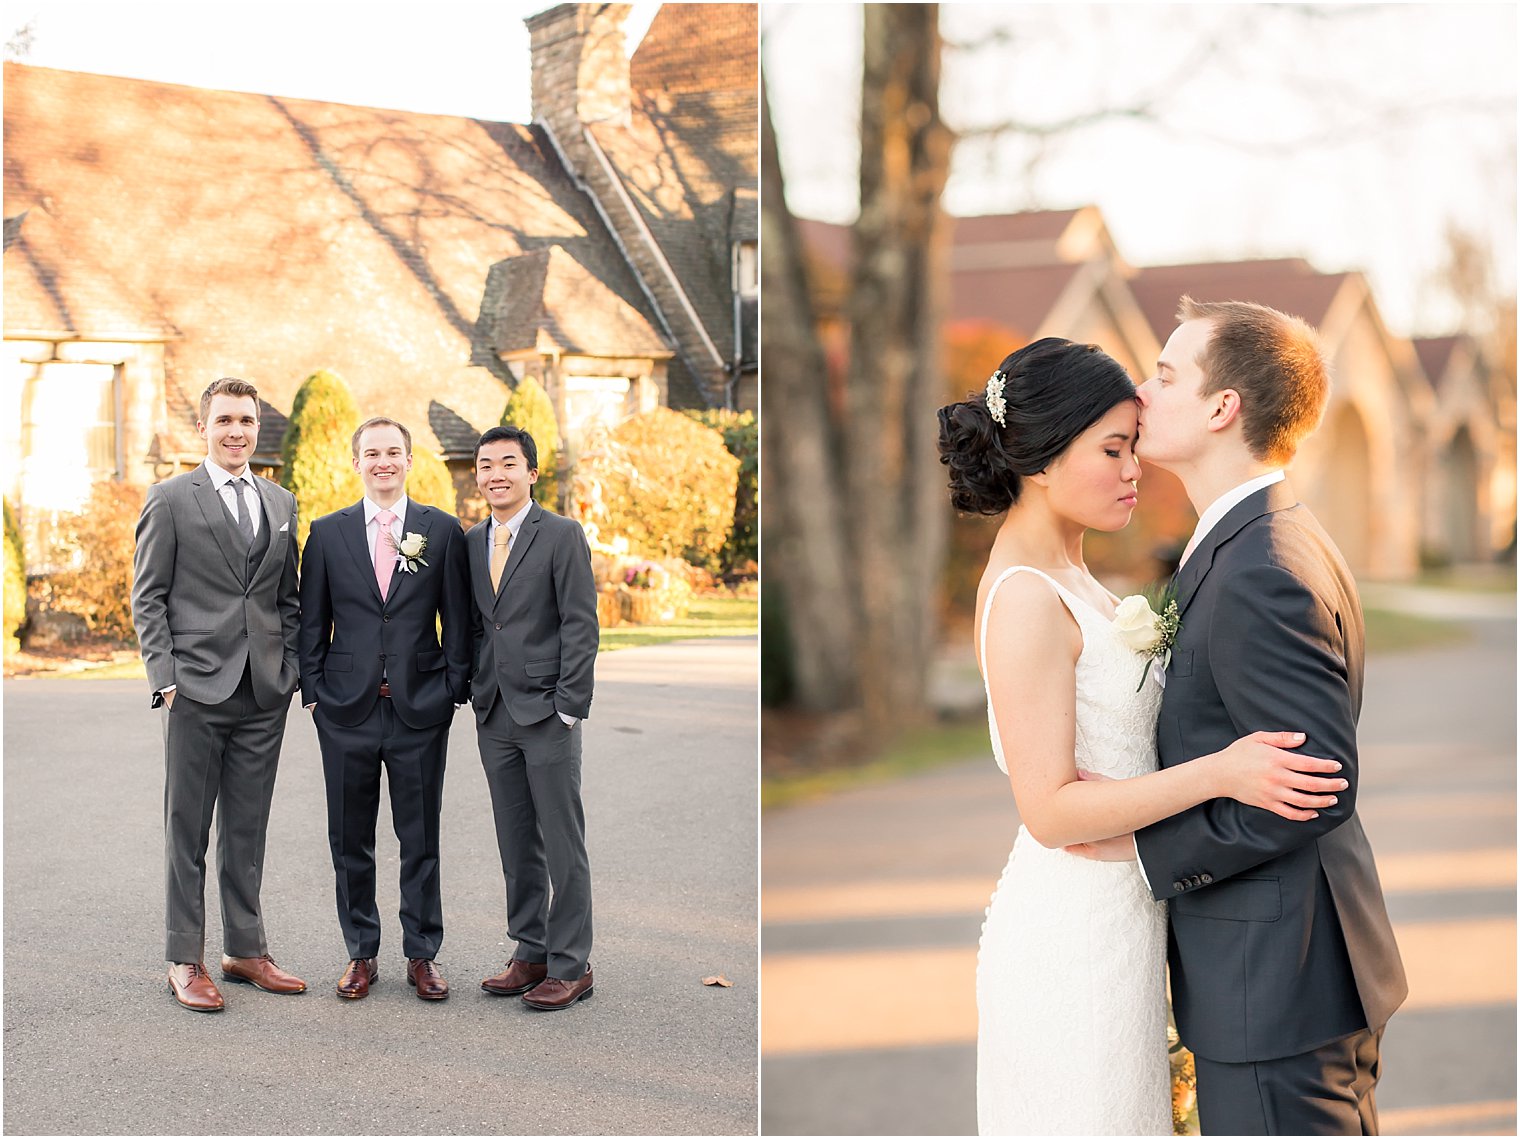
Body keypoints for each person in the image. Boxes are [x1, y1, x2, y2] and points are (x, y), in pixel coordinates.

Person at [937, 338, 1346, 1135]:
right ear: (1045, 458)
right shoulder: (1024, 597)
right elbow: (1051, 811)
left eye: (1134, 445)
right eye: (1113, 449)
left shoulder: (1080, 578)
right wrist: (1222, 772)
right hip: (1075, 936)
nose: (1135, 470)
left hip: (1133, 918)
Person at [1070, 298, 1407, 1134]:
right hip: (1278, 977)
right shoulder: (1246, 540)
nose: (1141, 394)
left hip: (1281, 986)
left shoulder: (1262, 564)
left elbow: (1316, 785)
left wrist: (1144, 848)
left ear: (1224, 409)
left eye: (1166, 374)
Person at [132, 376, 307, 1012]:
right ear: (203, 427)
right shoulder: (171, 498)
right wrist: (166, 679)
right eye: (226, 420)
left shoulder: (281, 502)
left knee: (247, 827)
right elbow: (148, 595)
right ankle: (185, 958)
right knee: (188, 829)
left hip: (264, 691)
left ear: (259, 429)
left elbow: (286, 598)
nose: (237, 432)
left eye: (247, 422)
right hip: (196, 690)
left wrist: (287, 671)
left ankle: (245, 950)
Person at [298, 416, 471, 1001]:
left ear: (409, 459)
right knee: (349, 839)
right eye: (371, 453)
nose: (383, 462)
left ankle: (422, 954)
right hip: (344, 710)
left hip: (420, 709)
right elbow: (311, 622)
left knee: (420, 836)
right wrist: (315, 691)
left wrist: (450, 687)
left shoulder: (442, 531)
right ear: (356, 463)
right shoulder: (326, 533)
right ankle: (360, 953)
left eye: (393, 452)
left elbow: (458, 619)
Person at [454, 425, 598, 1010]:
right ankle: (530, 950)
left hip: (547, 712)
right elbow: (472, 623)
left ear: (531, 473)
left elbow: (580, 626)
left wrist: (568, 706)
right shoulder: (469, 542)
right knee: (516, 841)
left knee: (562, 841)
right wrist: (468, 689)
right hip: (494, 711)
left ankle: (571, 964)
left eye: (508, 463)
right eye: (485, 465)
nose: (495, 474)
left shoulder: (561, 535)